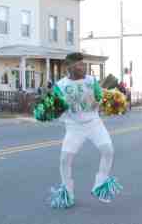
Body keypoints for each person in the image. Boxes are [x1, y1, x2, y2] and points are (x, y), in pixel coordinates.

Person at [50, 53, 122, 209]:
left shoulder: (91, 81)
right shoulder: (60, 85)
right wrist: (54, 108)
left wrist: (102, 100)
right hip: (74, 127)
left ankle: (100, 184)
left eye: (84, 64)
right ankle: (67, 193)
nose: (83, 67)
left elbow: (99, 99)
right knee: (65, 159)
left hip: (94, 123)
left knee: (108, 150)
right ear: (70, 67)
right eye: (79, 65)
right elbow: (55, 108)